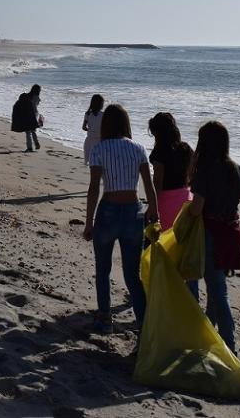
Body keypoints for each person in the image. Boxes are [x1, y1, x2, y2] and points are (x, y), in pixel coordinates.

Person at [188, 120, 240, 354]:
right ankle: (208, 332)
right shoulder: (236, 169)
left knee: (218, 291)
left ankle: (229, 346)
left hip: (210, 234)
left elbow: (196, 209)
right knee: (217, 288)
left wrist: (187, 212)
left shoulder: (204, 172)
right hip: (232, 233)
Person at [82, 104, 159, 333]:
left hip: (108, 210)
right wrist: (154, 212)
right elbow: (149, 186)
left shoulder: (99, 149)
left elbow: (94, 187)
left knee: (103, 269)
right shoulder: (138, 148)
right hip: (134, 211)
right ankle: (143, 324)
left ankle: (105, 319)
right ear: (126, 123)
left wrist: (89, 222)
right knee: (132, 275)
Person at [148, 112, 194, 230]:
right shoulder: (186, 149)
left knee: (158, 240)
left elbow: (158, 183)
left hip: (166, 201)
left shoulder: (159, 152)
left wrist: (152, 207)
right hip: (185, 200)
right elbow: (192, 177)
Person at [82, 94, 105, 162]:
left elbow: (83, 127)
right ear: (100, 104)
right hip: (99, 141)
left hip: (89, 140)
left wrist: (90, 129)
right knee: (99, 162)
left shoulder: (88, 114)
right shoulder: (103, 115)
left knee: (90, 163)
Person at [28, 85, 42, 149]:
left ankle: (30, 147)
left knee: (28, 132)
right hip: (36, 113)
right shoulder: (38, 98)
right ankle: (36, 143)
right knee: (33, 130)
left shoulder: (28, 96)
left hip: (29, 113)